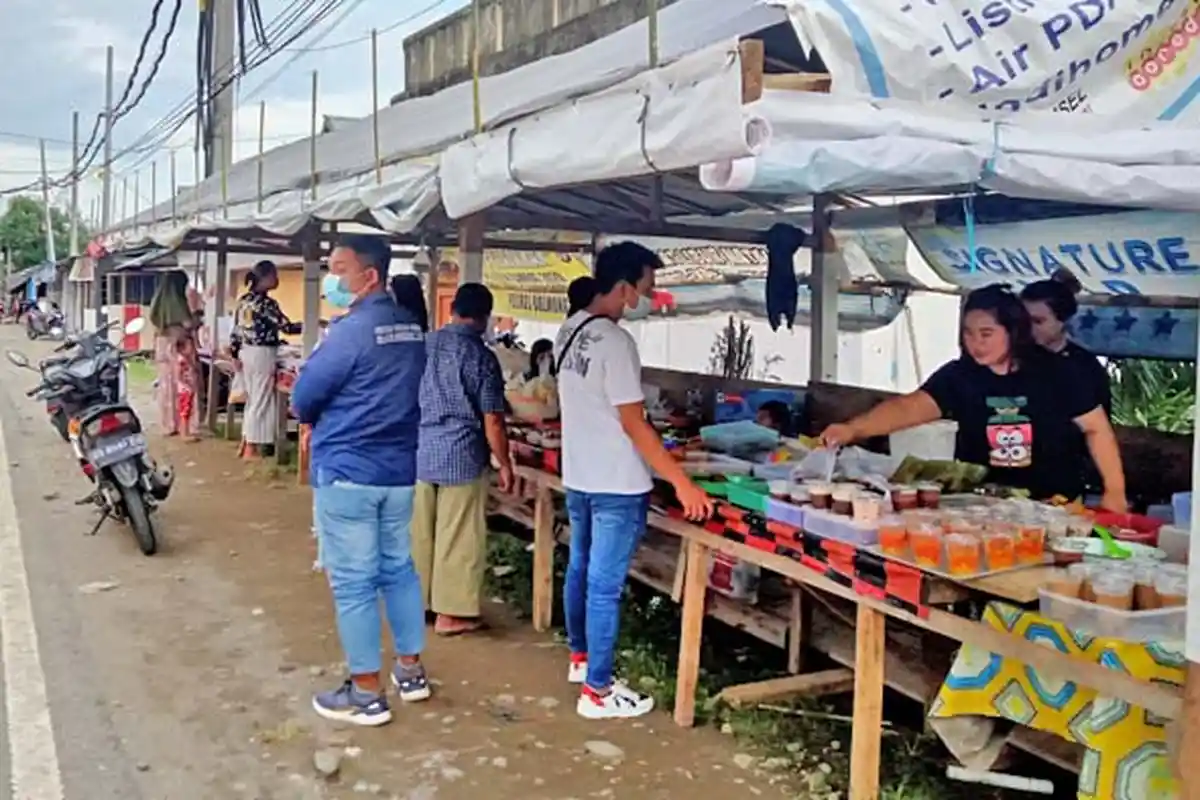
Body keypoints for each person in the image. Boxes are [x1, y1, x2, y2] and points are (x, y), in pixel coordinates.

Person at [555, 241, 713, 721]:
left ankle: (581, 661)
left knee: (580, 568)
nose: (649, 294)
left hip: (580, 475)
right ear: (623, 287)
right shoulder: (616, 342)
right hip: (617, 484)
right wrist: (681, 483)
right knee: (604, 585)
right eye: (646, 286)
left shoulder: (569, 330)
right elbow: (634, 423)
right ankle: (599, 693)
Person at [821, 284, 1127, 510]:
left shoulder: (1058, 373)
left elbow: (1096, 428)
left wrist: (1115, 491)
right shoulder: (960, 375)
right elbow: (910, 407)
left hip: (1054, 506)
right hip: (982, 504)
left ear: (1013, 331)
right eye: (968, 333)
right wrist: (853, 429)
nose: (975, 343)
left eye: (986, 333)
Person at [291, 235, 430, 727]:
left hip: (349, 471)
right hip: (399, 472)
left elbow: (304, 397)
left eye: (340, 269)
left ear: (369, 276)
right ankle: (410, 673)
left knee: (353, 584)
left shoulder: (351, 332)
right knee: (399, 569)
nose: (332, 279)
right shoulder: (412, 328)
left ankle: (366, 691)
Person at [412, 283, 513, 637]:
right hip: (462, 455)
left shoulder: (424, 345)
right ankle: (451, 613)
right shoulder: (480, 356)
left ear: (453, 308)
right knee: (458, 536)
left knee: (420, 534)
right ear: (485, 317)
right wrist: (505, 463)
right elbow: (493, 420)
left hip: (422, 450)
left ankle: (416, 603)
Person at [231, 260, 299, 459]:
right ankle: (251, 447)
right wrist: (313, 323)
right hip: (262, 353)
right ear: (266, 278)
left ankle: (246, 442)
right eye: (274, 276)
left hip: (246, 351)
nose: (277, 279)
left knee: (253, 398)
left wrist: (235, 354)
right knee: (261, 399)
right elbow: (286, 327)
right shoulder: (266, 304)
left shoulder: (243, 300)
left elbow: (235, 330)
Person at [1020, 273, 1110, 413]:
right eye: (1022, 319)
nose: (1027, 327)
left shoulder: (1085, 366)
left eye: (1038, 321)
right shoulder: (1013, 358)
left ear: (1063, 320)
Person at [148, 271, 199, 437]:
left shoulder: (158, 302)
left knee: (166, 386)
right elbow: (187, 324)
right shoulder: (178, 303)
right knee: (184, 385)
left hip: (162, 345)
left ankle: (169, 424)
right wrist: (197, 318)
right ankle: (186, 425)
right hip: (179, 347)